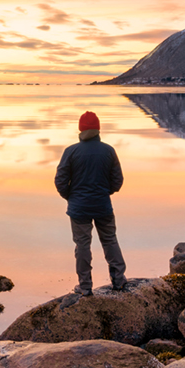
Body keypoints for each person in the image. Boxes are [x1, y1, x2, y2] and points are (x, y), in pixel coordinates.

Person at [55, 111, 125, 295]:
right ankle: (119, 280)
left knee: (82, 246)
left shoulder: (71, 151)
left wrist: (72, 197)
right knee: (110, 240)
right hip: (103, 205)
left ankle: (85, 286)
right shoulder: (108, 151)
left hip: (79, 208)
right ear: (98, 129)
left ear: (81, 129)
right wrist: (105, 192)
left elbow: (60, 181)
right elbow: (117, 180)